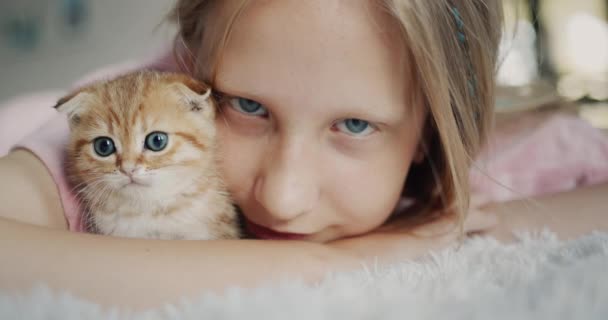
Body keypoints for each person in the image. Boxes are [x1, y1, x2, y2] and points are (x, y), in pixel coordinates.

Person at [0, 0, 606, 310]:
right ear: (194, 70)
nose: (282, 197)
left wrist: (451, 227)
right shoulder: (119, 125)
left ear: (430, 133)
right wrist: (359, 258)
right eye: (247, 106)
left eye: (354, 124)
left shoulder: (509, 150)